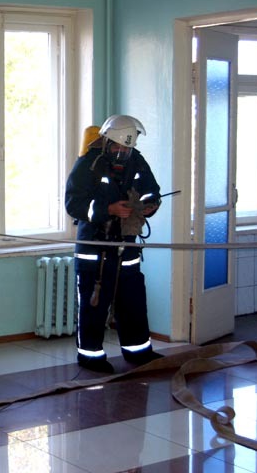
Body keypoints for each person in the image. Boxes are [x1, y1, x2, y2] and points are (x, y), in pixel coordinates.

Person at [65, 115, 163, 373]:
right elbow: (73, 204)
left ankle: (138, 351)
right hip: (94, 251)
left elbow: (152, 190)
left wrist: (149, 205)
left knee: (133, 302)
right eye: (117, 148)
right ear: (107, 142)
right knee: (94, 305)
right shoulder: (89, 164)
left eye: (126, 149)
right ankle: (90, 356)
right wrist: (108, 209)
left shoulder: (137, 162)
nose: (122, 154)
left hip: (126, 249)